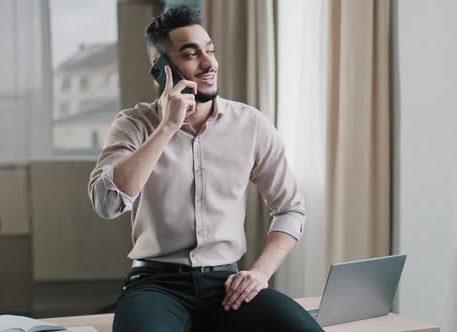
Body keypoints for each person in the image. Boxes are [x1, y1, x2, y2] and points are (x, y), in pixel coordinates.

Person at [88, 7, 323, 332]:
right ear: (160, 68)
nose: (209, 63)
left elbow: (290, 209)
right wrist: (167, 127)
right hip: (156, 284)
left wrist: (260, 274)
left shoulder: (250, 124)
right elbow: (107, 203)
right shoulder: (133, 125)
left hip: (228, 283)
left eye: (210, 51)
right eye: (192, 54)